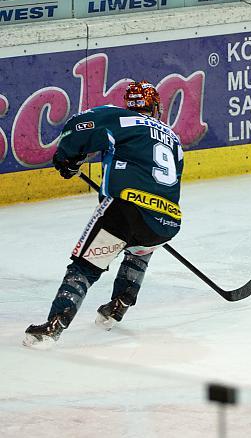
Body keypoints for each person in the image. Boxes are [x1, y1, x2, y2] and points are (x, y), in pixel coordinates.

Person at [23, 81, 184, 348]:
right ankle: (118, 306)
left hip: (123, 211)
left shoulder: (120, 117)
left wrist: (68, 158)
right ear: (155, 107)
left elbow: (79, 125)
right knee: (139, 251)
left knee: (84, 268)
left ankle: (54, 326)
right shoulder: (174, 140)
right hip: (166, 221)